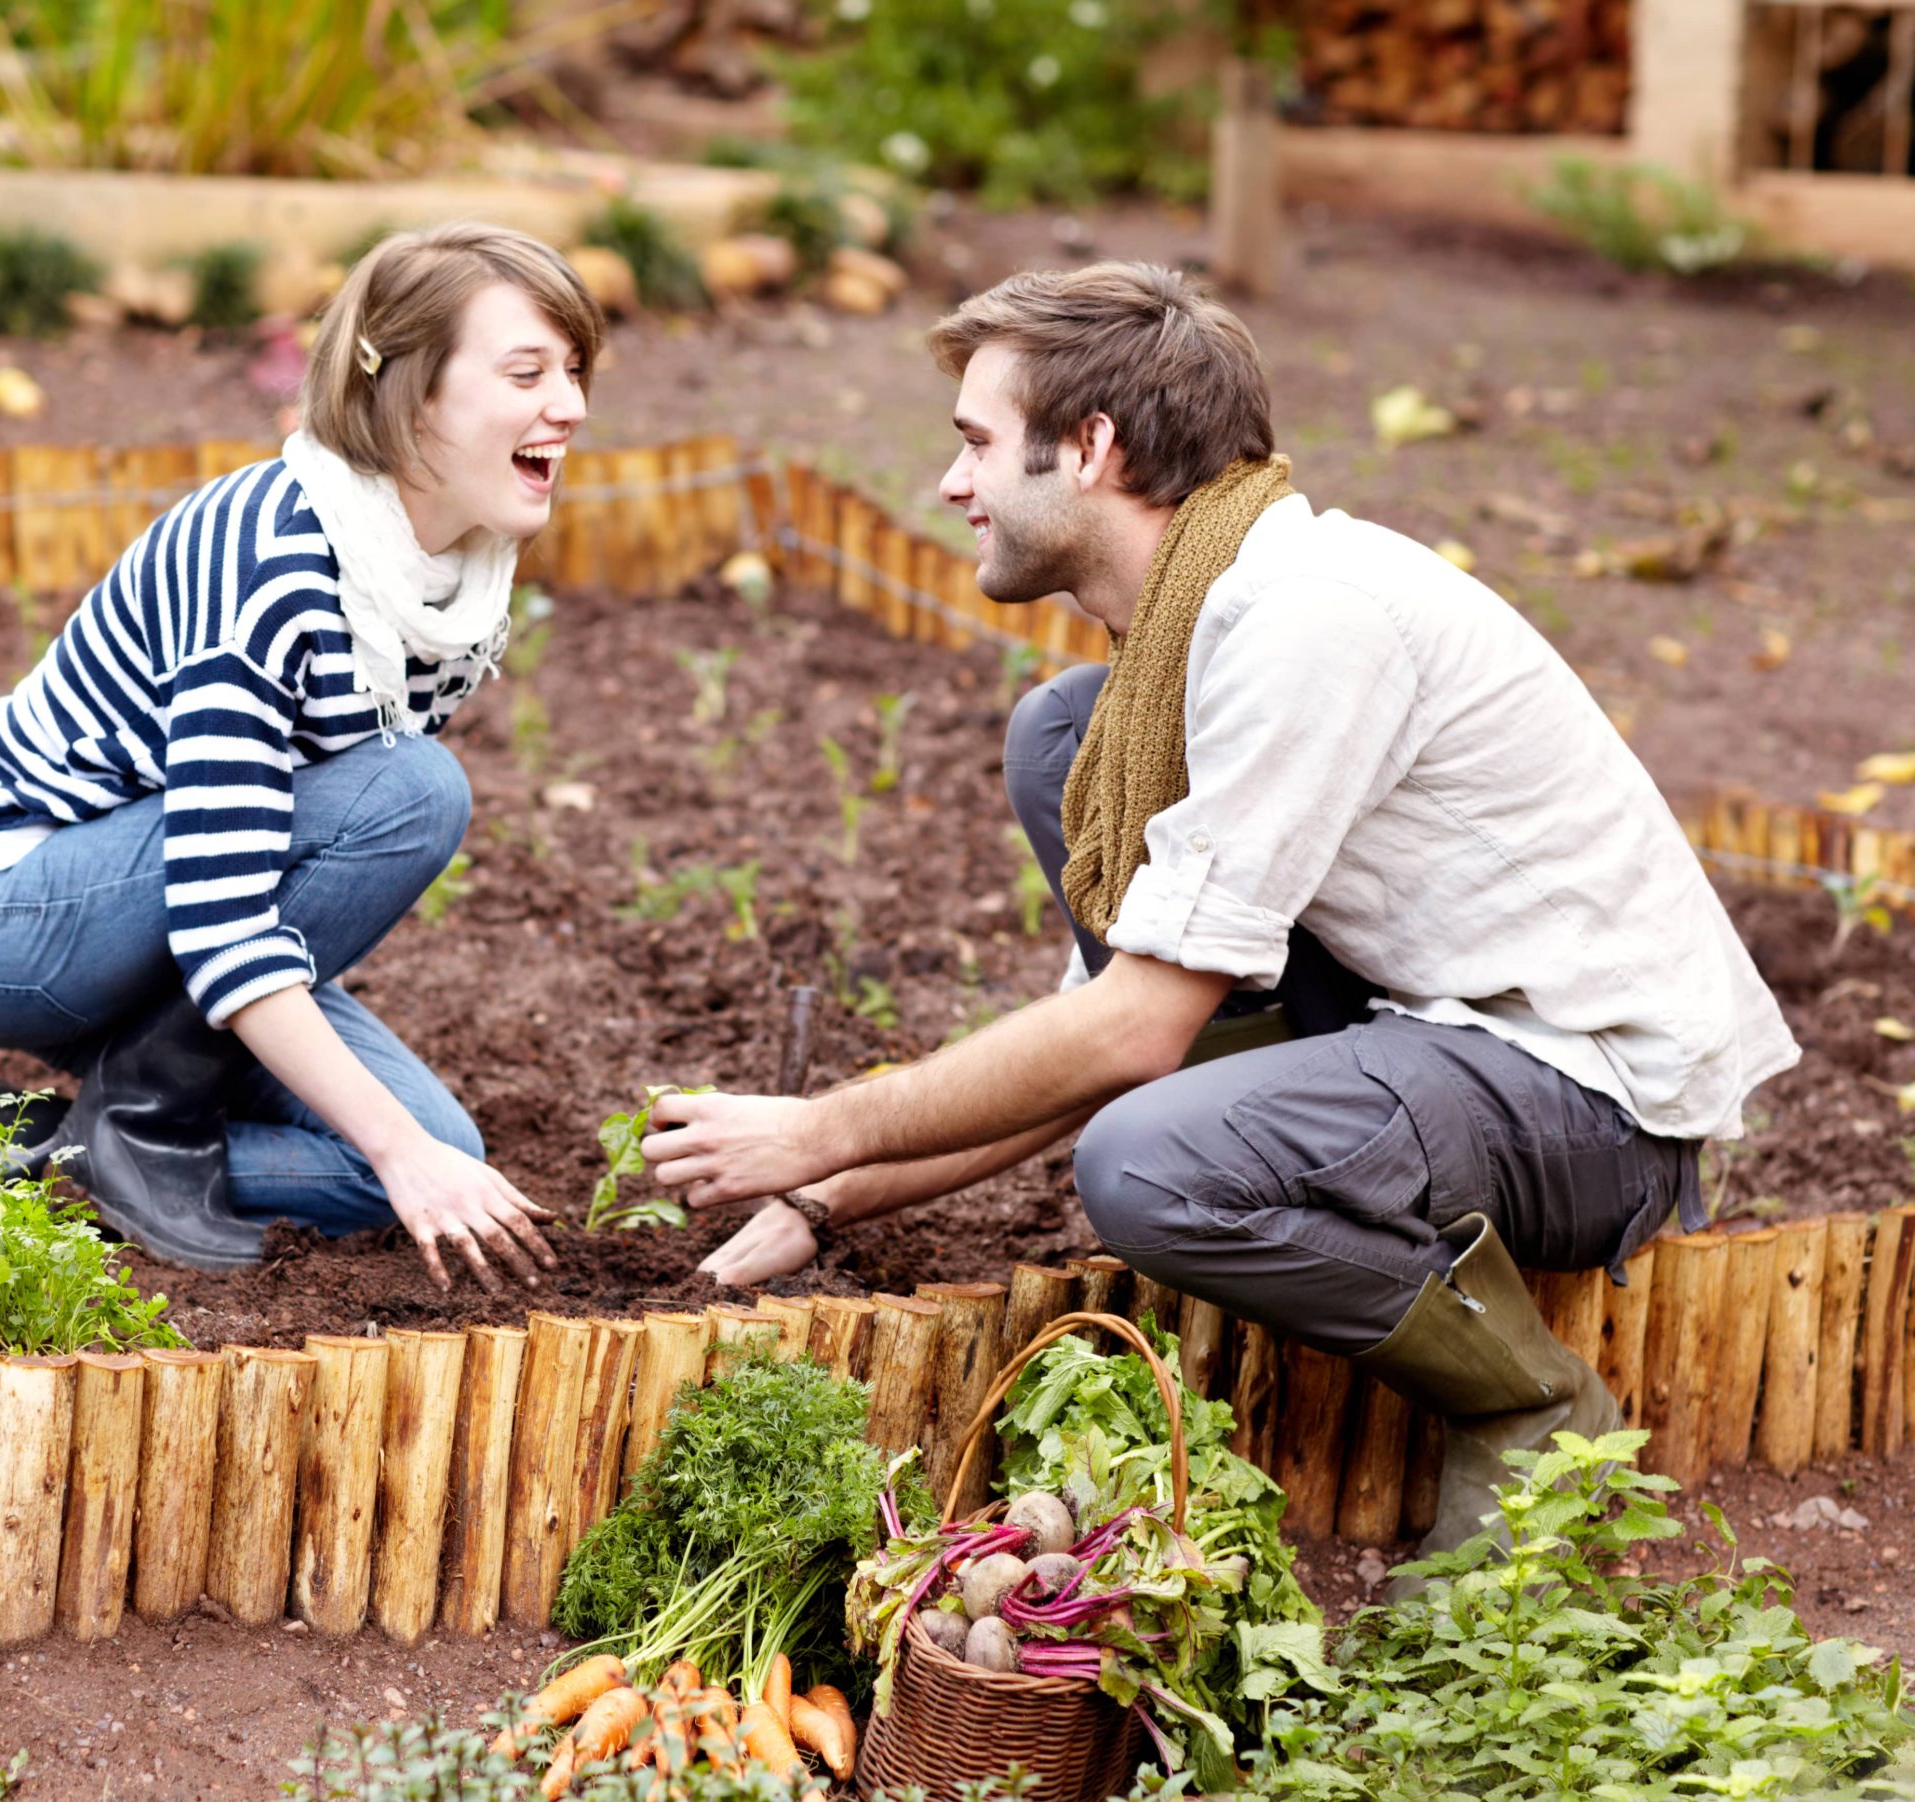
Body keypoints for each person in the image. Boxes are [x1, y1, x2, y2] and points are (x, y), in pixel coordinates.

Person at [640, 261, 1797, 1577]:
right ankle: (1248, 1147)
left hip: (1594, 1104)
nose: (951, 485)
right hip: (1432, 1035)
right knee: (1057, 736)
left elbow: (1128, 1041)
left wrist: (819, 1123)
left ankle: (1524, 1398)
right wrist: (832, 1191)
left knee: (1146, 1162)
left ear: (1090, 447)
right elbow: (1114, 1025)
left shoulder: (1306, 623)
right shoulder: (1184, 649)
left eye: (973, 442)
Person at [0, 222, 602, 1292]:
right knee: (412, 794)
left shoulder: (452, 579)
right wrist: (397, 1144)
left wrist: (403, 1151)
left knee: (428, 1156)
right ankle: (147, 1112)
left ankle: (22, 1145)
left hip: (161, 921)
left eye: (577, 371)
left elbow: (263, 872)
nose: (572, 406)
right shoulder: (269, 558)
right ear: (409, 393)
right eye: (527, 372)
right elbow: (229, 903)